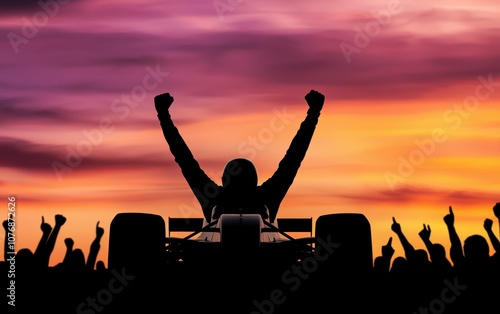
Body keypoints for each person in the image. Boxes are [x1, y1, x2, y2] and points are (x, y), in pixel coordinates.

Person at [154, 90, 324, 226]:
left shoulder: (212, 197)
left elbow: (185, 159)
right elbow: (293, 159)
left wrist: (164, 116)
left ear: (225, 180)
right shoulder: (267, 195)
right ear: (254, 180)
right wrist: (313, 114)